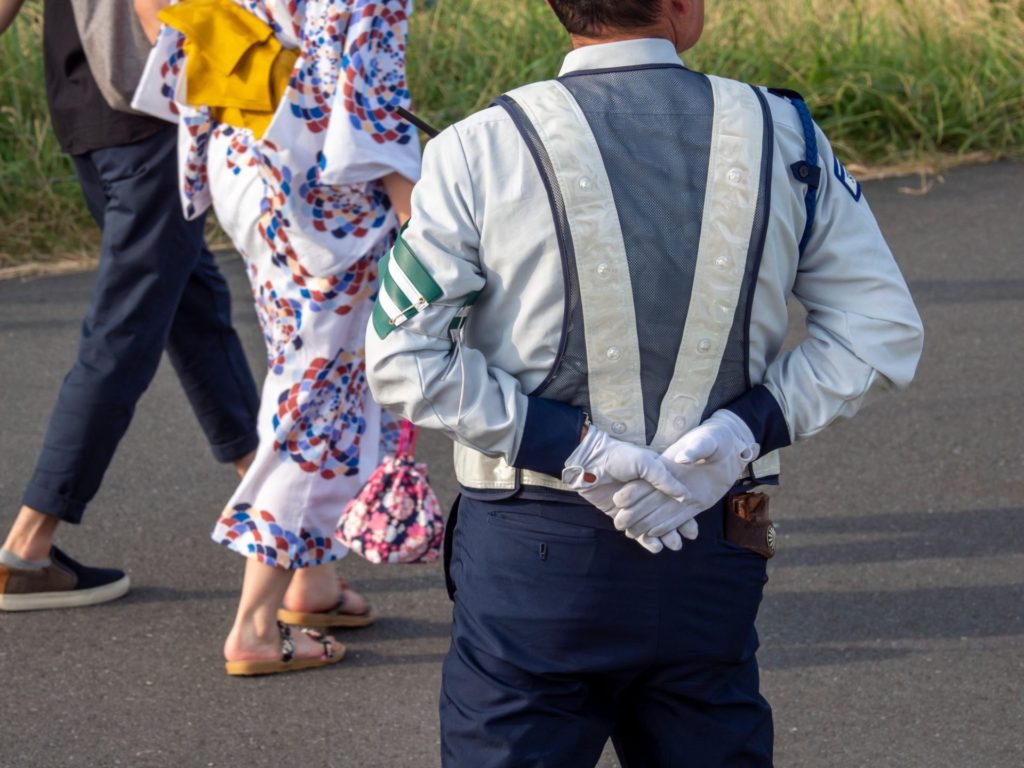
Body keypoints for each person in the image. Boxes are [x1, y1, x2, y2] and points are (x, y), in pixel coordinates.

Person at [364, 0, 925, 764]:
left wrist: (572, 448)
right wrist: (740, 432)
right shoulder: (784, 133)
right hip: (714, 533)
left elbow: (403, 358)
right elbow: (880, 330)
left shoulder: (479, 145)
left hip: (534, 549)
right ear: (681, 7)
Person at [132, 0, 421, 675]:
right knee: (317, 392)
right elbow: (364, 89)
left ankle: (310, 579)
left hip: (247, 155)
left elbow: (163, 13)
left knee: (315, 371)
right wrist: (416, 208)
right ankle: (255, 627)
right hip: (324, 189)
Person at [0, 0, 260, 612]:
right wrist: (247, 85)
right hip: (149, 111)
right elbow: (155, 7)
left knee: (192, 304)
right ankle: (27, 548)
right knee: (125, 331)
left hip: (85, 111)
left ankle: (270, 507)